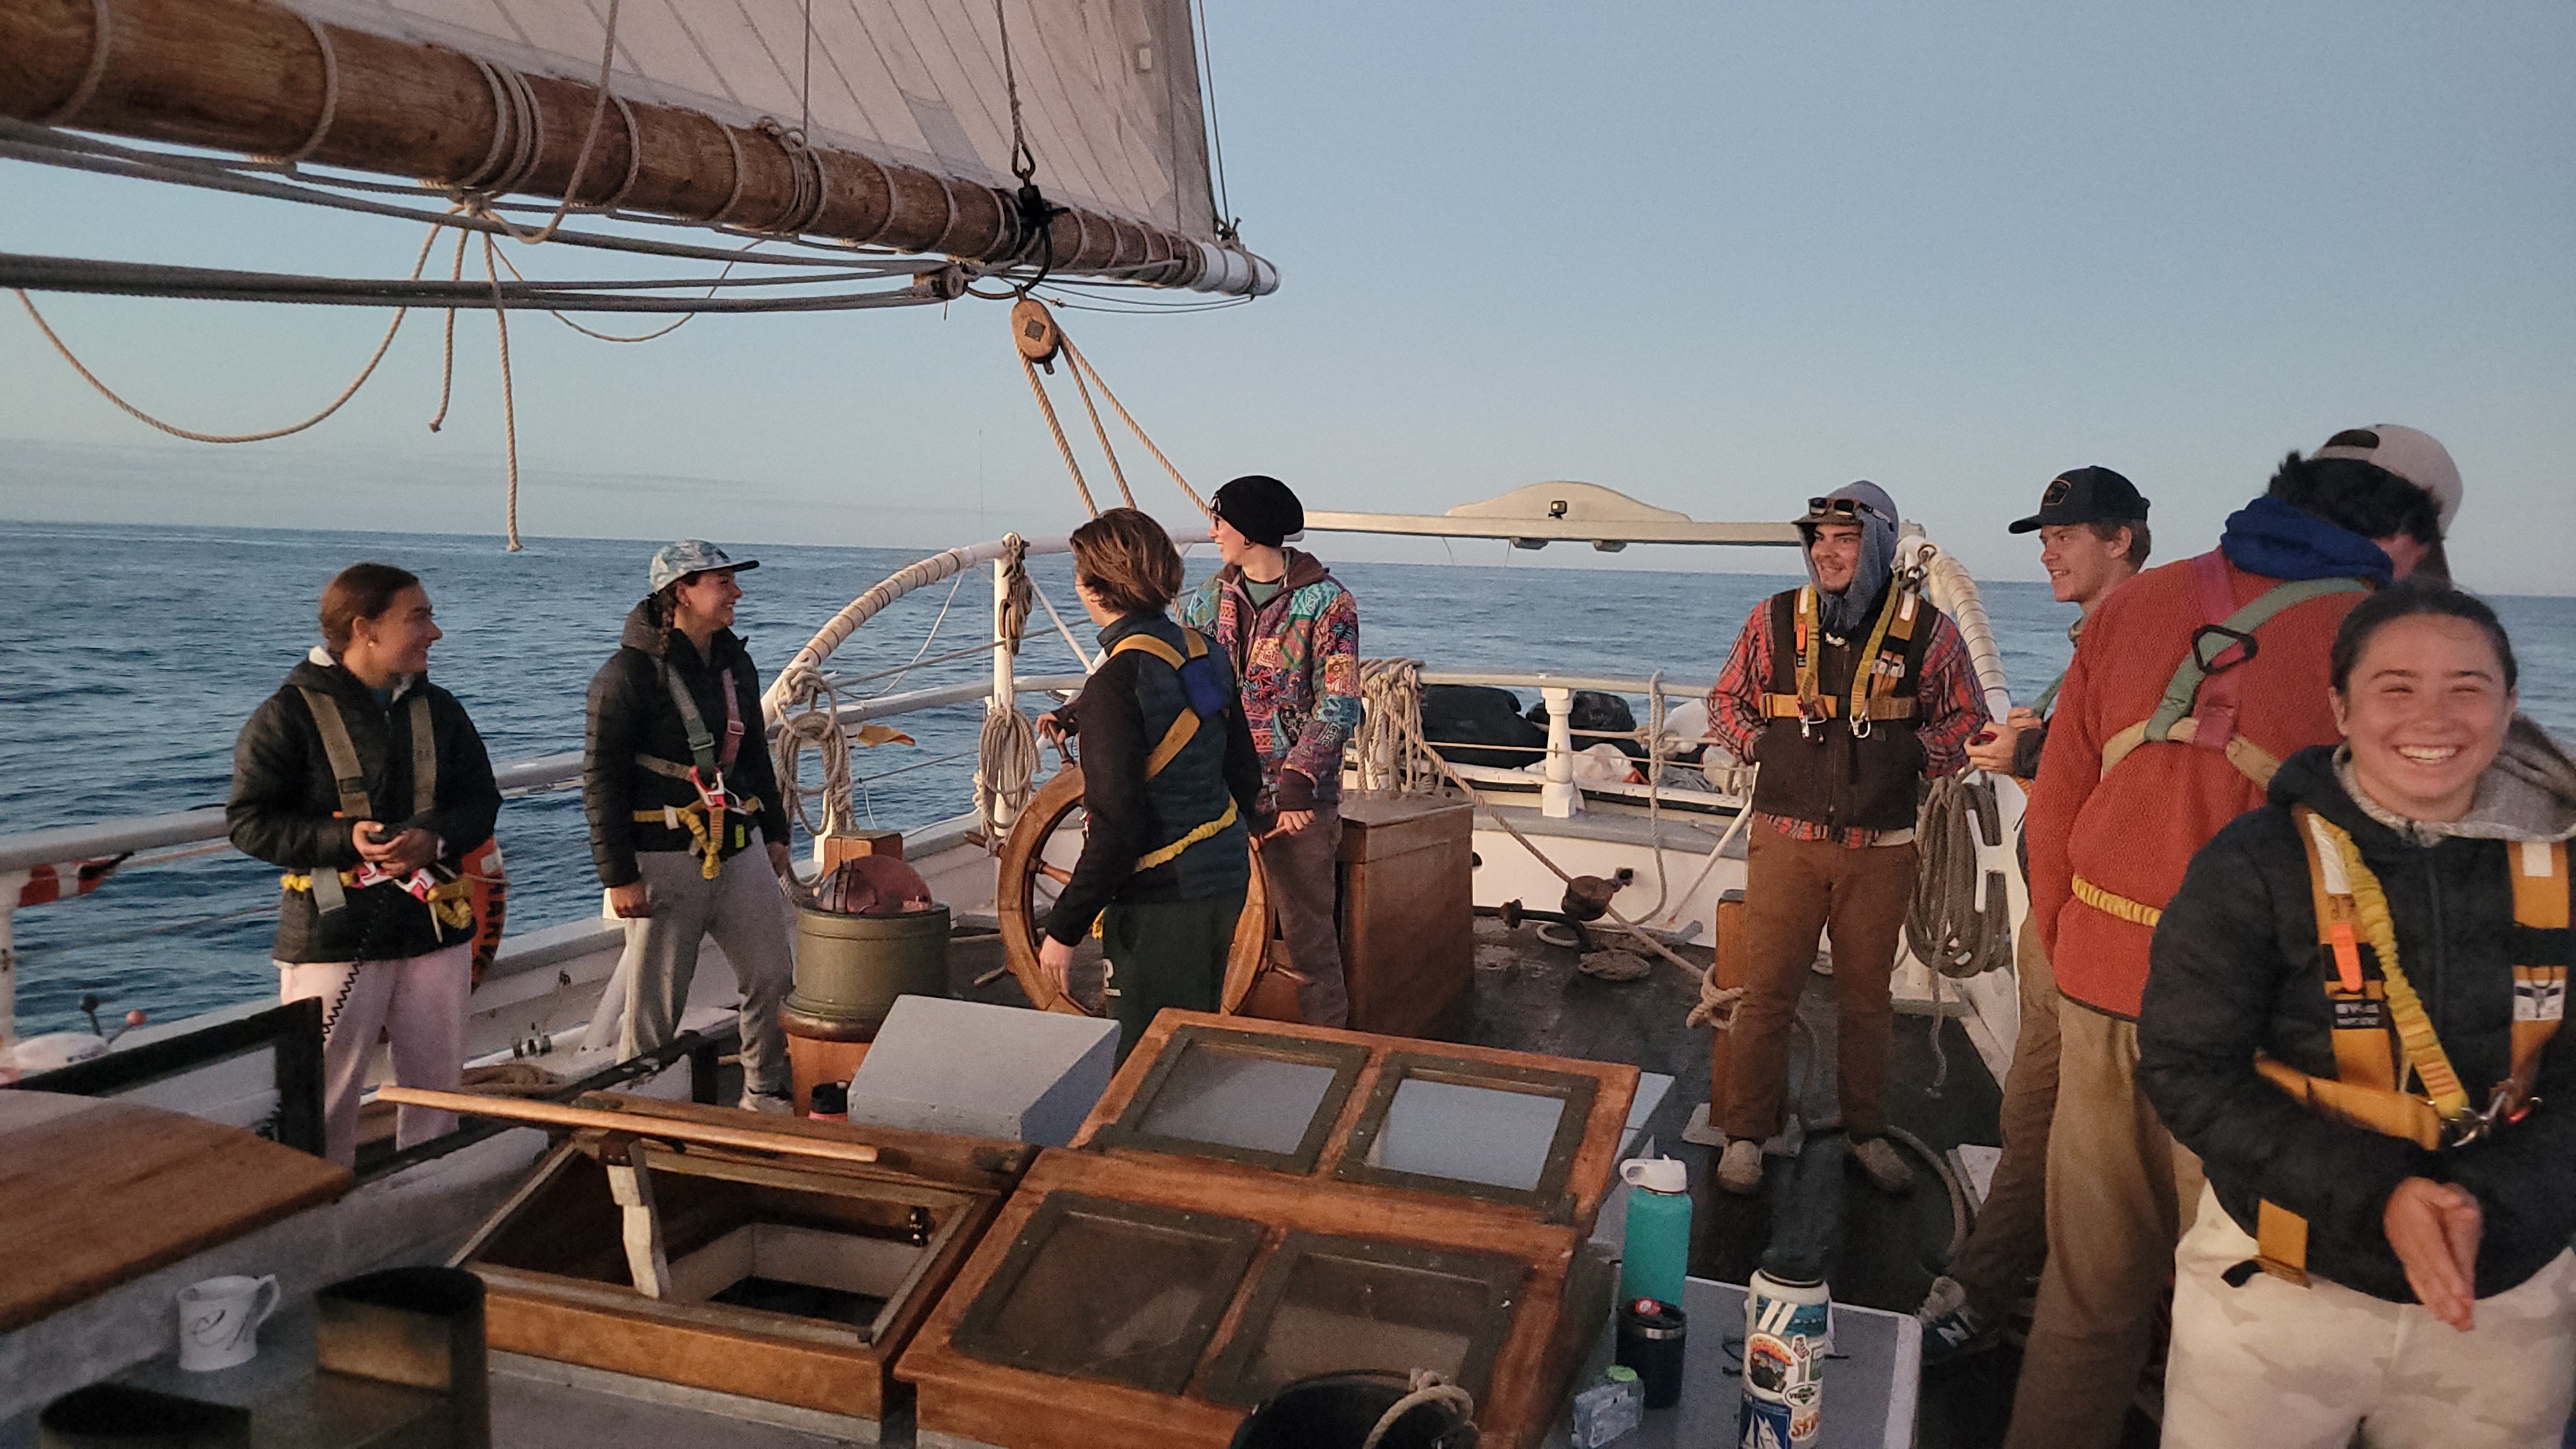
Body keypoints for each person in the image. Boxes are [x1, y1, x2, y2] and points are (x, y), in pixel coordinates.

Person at [2007, 425, 2459, 1449]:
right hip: (2246, 1032)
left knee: (2084, 1299)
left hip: (2100, 989)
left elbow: (2061, 800)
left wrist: (2076, 945)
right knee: (2246, 1317)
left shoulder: (2143, 603)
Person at [2139, 586, 2576, 1448]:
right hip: (2282, 1284)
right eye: (2396, 687)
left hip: (2506, 1298)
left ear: (2511, 704)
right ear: (2340, 707)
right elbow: (2188, 1071)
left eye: (2467, 687)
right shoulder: (2254, 865)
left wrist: (2500, 1205)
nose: (2434, 716)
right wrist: (2381, 1197)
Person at [1919, 466, 2151, 1362]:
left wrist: (2033, 752)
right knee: (2030, 1116)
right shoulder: (2096, 644)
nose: (2047, 550)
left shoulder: (2145, 645)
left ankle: (1993, 1292)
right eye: (2044, 538)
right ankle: (2007, 1272)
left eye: (2065, 535)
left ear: (2121, 537)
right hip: (2055, 919)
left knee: (2072, 1133)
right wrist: (2031, 748)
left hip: (2102, 933)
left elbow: (2135, 788)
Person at [1706, 481, 1993, 1196]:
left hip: (1883, 848)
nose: (1828, 554)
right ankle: (1744, 1136)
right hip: (1786, 840)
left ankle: (1866, 1132)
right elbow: (1724, 702)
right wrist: (1758, 744)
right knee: (1766, 994)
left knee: (1867, 1003)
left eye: (1847, 540)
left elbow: (1969, 718)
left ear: (1882, 548)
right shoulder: (1774, 620)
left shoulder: (1931, 632)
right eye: (1820, 540)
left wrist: (1916, 755)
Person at [228, 563, 502, 1167]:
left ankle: (430, 1197)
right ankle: (319, 1218)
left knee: (437, 1091)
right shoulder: (287, 715)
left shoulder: (442, 710)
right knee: (324, 1097)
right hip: (334, 934)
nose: (435, 632)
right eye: (419, 617)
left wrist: (433, 840)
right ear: (365, 629)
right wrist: (346, 840)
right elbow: (249, 822)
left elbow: (481, 803)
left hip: (433, 927)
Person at [1038, 507, 1266, 1059]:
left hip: (1161, 899)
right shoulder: (1204, 654)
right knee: (1193, 1041)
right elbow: (1241, 771)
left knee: (1148, 1061)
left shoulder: (1117, 681)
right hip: (1221, 879)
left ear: (1094, 585)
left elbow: (1117, 827)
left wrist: (1064, 929)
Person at [583, 540, 796, 1112]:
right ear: (681, 592)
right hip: (664, 854)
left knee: (773, 975)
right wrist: (619, 876)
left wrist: (775, 831)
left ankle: (764, 1091)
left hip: (736, 843)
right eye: (722, 583)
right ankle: (644, 1101)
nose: (737, 594)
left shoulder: (735, 665)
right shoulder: (626, 676)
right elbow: (601, 776)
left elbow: (753, 753)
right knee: (656, 1001)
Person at [1183, 475, 1364, 1027]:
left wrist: (1298, 780)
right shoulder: (1208, 600)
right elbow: (1181, 681)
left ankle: (1326, 1051)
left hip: (1298, 806)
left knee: (1310, 939)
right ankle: (1213, 1040)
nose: (1212, 532)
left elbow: (1339, 700)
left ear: (1251, 530)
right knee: (1213, 934)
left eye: (1220, 521)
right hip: (1218, 795)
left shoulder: (1330, 605)